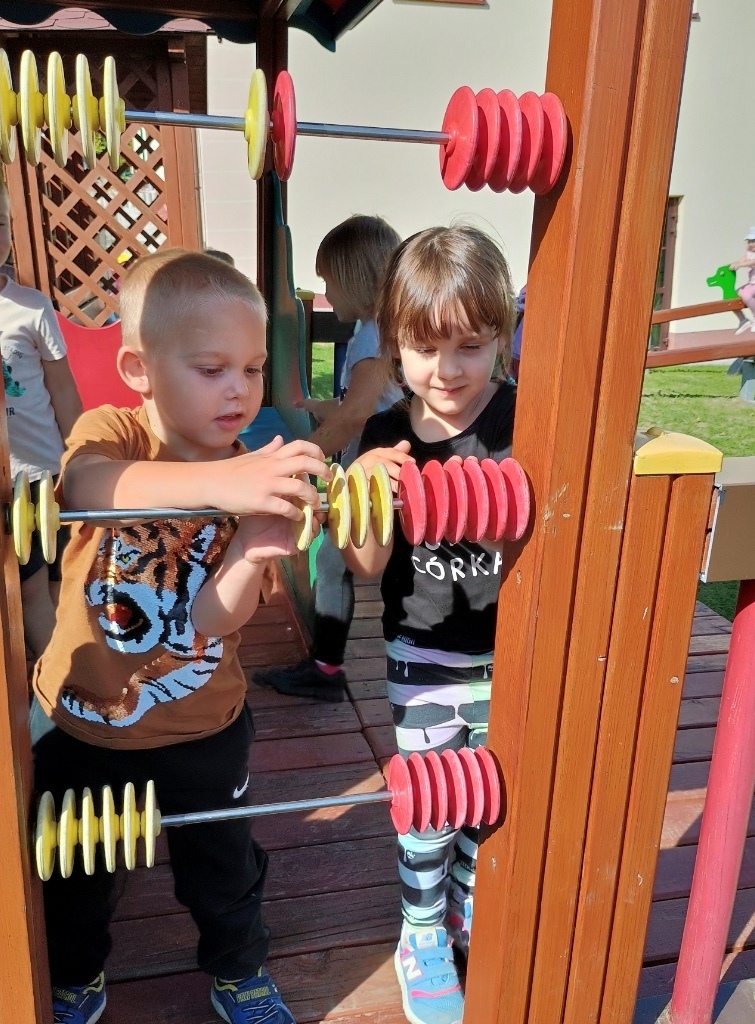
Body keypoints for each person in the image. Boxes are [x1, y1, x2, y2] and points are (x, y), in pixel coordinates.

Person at [29, 249, 331, 1024]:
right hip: (87, 724)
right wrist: (223, 485)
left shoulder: (246, 472)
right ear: (140, 369)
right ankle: (74, 977)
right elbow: (85, 485)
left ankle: (239, 972)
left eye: (254, 369)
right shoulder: (114, 432)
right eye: (212, 369)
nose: (240, 389)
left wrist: (253, 549)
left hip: (204, 725)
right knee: (78, 873)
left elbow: (210, 624)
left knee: (222, 867)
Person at [340, 225, 517, 1024]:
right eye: (424, 349)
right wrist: (361, 490)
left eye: (470, 347)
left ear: (502, 337)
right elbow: (365, 565)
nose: (447, 371)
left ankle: (469, 906)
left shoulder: (521, 421)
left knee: (489, 795)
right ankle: (420, 930)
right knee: (432, 802)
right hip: (425, 656)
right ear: (392, 343)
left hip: (510, 655)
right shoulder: (387, 437)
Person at [257, 215, 402, 702]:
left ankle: (327, 671)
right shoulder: (374, 329)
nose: (326, 294)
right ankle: (327, 665)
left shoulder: (373, 335)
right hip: (380, 473)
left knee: (335, 558)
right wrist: (322, 406)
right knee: (338, 560)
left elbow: (358, 413)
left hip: (380, 477)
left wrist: (303, 460)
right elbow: (363, 402)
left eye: (329, 282)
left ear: (356, 278)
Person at [0, 178, 83, 659]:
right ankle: (59, 686)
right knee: (30, 591)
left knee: (58, 582)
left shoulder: (31, 307)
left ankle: (54, 672)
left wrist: (80, 454)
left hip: (44, 472)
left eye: (0, 223)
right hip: (7, 484)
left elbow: (62, 387)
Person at [731, 226, 755, 334]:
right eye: (749, 241)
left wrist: (740, 265)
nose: (750, 244)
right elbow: (742, 261)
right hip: (752, 283)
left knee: (747, 295)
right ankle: (743, 320)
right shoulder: (749, 251)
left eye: (753, 241)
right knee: (732, 295)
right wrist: (734, 265)